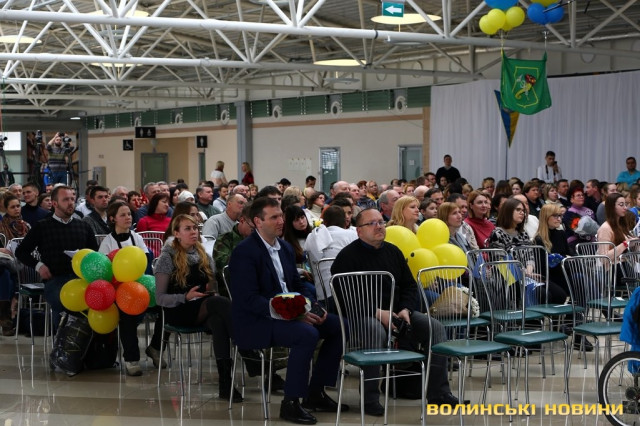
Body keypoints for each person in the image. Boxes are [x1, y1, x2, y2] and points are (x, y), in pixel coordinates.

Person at [331, 208, 461, 414]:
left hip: (397, 311)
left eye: (381, 222)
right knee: (375, 330)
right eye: (372, 223)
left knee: (435, 328)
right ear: (359, 230)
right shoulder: (347, 257)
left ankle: (439, 393)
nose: (379, 227)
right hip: (362, 314)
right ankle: (370, 398)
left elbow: (409, 285)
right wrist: (377, 312)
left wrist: (405, 309)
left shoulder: (393, 251)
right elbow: (344, 295)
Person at [229, 197, 346, 425]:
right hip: (257, 320)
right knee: (306, 334)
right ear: (258, 221)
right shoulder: (244, 252)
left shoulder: (284, 248)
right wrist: (294, 314)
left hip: (289, 313)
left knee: (339, 326)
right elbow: (249, 300)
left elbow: (297, 285)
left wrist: (313, 306)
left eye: (281, 216)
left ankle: (315, 392)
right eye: (274, 217)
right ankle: (290, 403)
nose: (281, 221)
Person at [152, 214, 241, 401]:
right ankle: (245, 345)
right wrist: (185, 297)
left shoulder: (203, 255)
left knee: (218, 320)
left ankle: (226, 383)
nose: (194, 232)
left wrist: (210, 290)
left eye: (195, 228)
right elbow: (160, 299)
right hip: (179, 310)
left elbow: (212, 286)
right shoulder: (167, 257)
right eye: (188, 229)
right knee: (218, 303)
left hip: (203, 306)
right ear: (177, 233)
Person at [15, 185, 98, 326]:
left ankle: (87, 338)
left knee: (95, 301)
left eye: (72, 199)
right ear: (54, 203)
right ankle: (63, 337)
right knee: (66, 302)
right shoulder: (42, 226)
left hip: (82, 278)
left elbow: (94, 253)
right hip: (56, 278)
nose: (70, 203)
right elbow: (21, 251)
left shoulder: (84, 226)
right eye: (65, 199)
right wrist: (39, 266)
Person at [98, 201, 152, 376]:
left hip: (140, 285)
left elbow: (145, 262)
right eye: (123, 215)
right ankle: (131, 359)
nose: (128, 217)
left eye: (129, 214)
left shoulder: (137, 238)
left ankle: (156, 348)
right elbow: (104, 271)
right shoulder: (108, 242)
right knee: (127, 315)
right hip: (119, 290)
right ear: (112, 219)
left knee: (165, 307)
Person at [303, 206, 357, 311]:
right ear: (344, 221)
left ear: (325, 222)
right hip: (350, 295)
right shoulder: (353, 235)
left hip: (323, 295)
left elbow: (312, 268)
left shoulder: (312, 237)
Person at [597, 193, 634, 263]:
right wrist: (625, 244)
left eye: (625, 204)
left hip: (626, 264)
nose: (625, 208)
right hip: (614, 267)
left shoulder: (622, 225)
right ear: (612, 207)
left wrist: (635, 243)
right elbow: (604, 258)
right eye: (621, 205)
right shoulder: (605, 228)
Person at [562, 186, 597, 250]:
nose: (581, 197)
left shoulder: (589, 211)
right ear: (572, 199)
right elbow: (580, 230)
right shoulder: (569, 214)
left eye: (582, 195)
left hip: (592, 242)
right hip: (576, 244)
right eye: (578, 195)